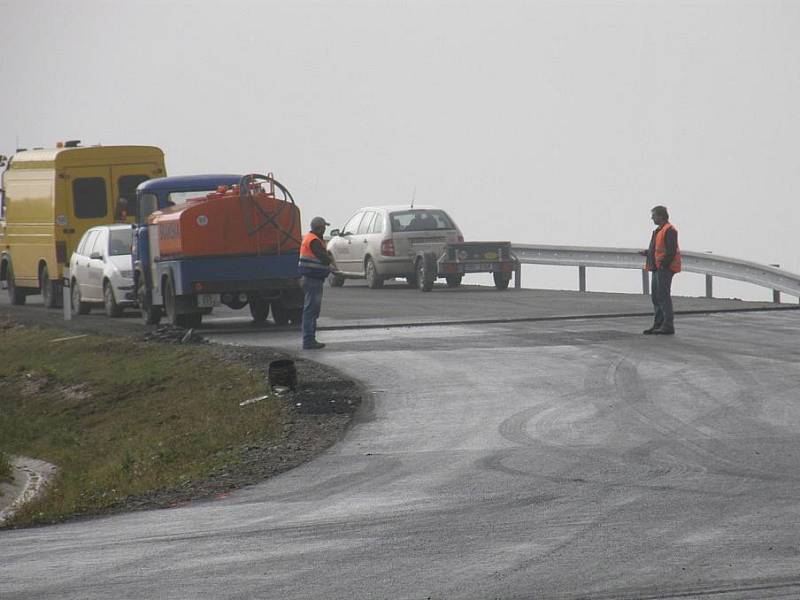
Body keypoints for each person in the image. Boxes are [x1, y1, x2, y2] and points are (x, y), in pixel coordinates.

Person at [642, 205, 681, 335]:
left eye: (654, 215)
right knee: (656, 297)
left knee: (663, 296)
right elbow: (658, 248)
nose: (652, 218)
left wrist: (664, 264)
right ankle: (658, 324)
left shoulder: (669, 230)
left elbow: (671, 250)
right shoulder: (659, 230)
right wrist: (648, 253)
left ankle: (667, 325)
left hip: (664, 268)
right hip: (656, 268)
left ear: (661, 216)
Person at [298, 216, 335, 349]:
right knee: (311, 310)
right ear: (320, 227)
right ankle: (308, 340)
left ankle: (310, 339)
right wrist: (330, 260)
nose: (325, 229)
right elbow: (324, 259)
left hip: (311, 278)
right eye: (324, 226)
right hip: (312, 279)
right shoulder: (313, 241)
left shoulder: (310, 238)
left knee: (312, 310)